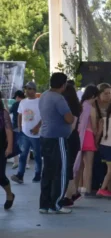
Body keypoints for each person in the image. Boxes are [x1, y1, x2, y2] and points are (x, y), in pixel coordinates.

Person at [38, 72, 74, 214]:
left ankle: (44, 204)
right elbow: (69, 119)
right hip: (58, 138)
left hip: (45, 136)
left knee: (47, 171)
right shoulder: (59, 99)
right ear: (63, 84)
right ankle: (56, 204)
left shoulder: (44, 95)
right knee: (61, 171)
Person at [11, 82, 42, 184]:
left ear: (34, 90)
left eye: (29, 89)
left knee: (37, 155)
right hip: (24, 133)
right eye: (26, 89)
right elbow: (20, 114)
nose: (27, 91)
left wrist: (37, 127)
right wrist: (20, 127)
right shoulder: (23, 102)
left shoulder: (39, 102)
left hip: (36, 134)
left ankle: (38, 174)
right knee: (23, 155)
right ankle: (20, 175)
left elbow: (44, 116)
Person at [72, 85, 100, 196]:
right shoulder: (91, 108)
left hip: (78, 136)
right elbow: (93, 126)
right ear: (93, 96)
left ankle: (75, 188)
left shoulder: (79, 106)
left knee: (78, 165)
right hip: (88, 136)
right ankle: (87, 189)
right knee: (88, 165)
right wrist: (98, 131)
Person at [61, 84, 82, 207]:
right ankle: (73, 192)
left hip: (69, 139)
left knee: (68, 169)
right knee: (69, 168)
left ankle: (68, 196)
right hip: (74, 139)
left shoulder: (71, 108)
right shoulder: (75, 106)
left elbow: (72, 126)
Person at [0, 91, 15, 210]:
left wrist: (9, 146)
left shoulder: (3, 113)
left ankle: (9, 194)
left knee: (0, 176)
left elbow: (9, 130)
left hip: (1, 148)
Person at [9, 90, 25, 169]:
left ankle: (16, 162)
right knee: (25, 145)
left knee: (15, 145)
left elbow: (8, 111)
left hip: (16, 127)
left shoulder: (15, 104)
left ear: (17, 97)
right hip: (26, 127)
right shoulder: (26, 103)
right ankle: (26, 163)